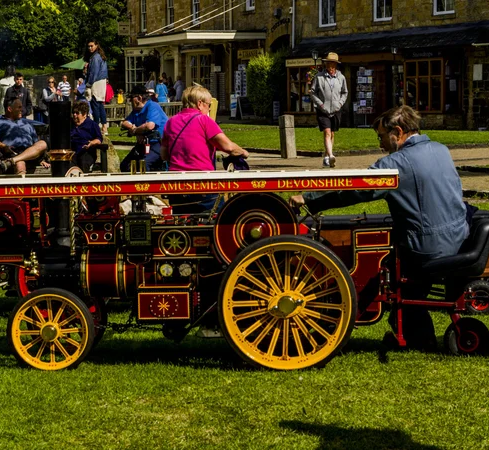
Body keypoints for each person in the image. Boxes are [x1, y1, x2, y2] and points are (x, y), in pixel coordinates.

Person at [290, 105, 468, 350]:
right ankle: (415, 332)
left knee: (381, 268)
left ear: (397, 132)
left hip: (428, 246)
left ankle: (409, 333)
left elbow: (354, 188)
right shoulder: (441, 149)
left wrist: (308, 198)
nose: (381, 144)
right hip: (459, 237)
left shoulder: (396, 164)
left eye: (382, 137)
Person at [160, 85, 249, 213]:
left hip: (176, 184)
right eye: (209, 105)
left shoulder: (171, 122)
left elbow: (164, 155)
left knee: (181, 220)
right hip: (202, 184)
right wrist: (244, 152)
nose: (209, 108)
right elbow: (229, 147)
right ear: (200, 103)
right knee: (218, 219)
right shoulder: (204, 121)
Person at [0, 97, 48, 175]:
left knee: (42, 143)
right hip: (11, 152)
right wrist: (4, 146)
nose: (22, 109)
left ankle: (12, 161)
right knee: (20, 165)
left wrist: (41, 160)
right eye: (19, 107)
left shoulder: (27, 124)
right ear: (9, 109)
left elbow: (36, 144)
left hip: (29, 154)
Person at [309, 52, 348, 168]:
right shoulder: (319, 77)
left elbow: (345, 92)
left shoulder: (341, 78)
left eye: (332, 65)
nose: (330, 67)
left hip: (336, 109)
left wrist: (340, 104)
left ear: (336, 65)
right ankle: (331, 155)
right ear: (326, 65)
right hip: (323, 109)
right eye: (328, 65)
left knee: (332, 134)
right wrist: (320, 104)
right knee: (327, 132)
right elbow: (312, 93)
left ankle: (326, 156)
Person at [119, 85, 168, 172]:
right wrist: (136, 130)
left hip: (159, 144)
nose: (130, 100)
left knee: (144, 164)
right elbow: (124, 123)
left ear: (139, 98)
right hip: (144, 144)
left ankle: (147, 185)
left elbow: (150, 126)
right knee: (125, 165)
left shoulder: (153, 106)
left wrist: (135, 131)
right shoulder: (136, 111)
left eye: (131, 98)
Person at [84, 40, 109, 136]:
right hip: (102, 81)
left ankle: (96, 126)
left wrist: (89, 84)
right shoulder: (101, 56)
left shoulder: (95, 57)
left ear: (97, 45)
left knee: (95, 104)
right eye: (89, 46)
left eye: (91, 46)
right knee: (100, 104)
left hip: (96, 82)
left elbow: (94, 73)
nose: (90, 48)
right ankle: (104, 126)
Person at [70, 101, 102, 173]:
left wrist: (92, 143)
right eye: (73, 113)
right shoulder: (70, 124)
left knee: (83, 162)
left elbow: (99, 139)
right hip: (72, 152)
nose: (74, 115)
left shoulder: (92, 124)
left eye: (77, 113)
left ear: (84, 114)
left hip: (86, 152)